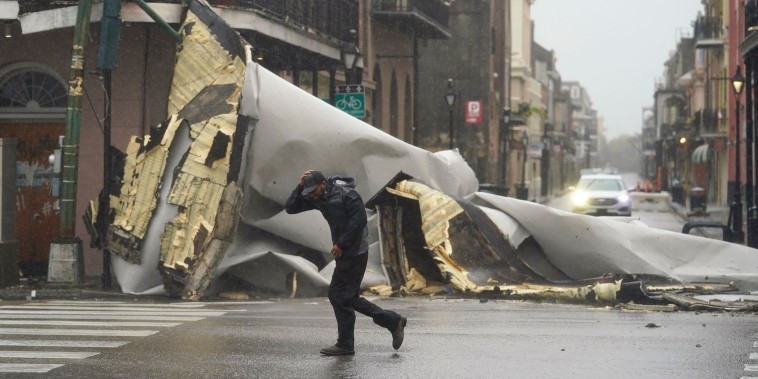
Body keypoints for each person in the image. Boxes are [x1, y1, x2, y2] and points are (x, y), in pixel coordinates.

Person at [285, 169, 407, 356]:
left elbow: (359, 221)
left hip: (356, 251)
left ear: (323, 184)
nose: (310, 194)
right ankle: (387, 323)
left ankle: (350, 341)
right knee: (344, 297)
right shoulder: (317, 197)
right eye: (308, 191)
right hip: (344, 252)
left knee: (340, 296)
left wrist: (342, 243)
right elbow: (291, 208)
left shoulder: (347, 194)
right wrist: (300, 186)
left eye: (313, 190)